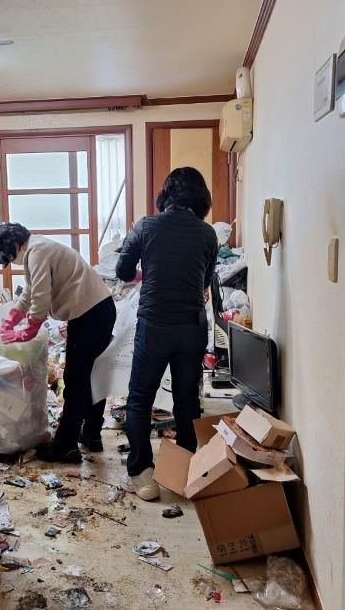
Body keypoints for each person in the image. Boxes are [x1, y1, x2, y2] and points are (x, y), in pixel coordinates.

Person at [116, 167, 219, 501]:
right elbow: (204, 281)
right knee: (187, 401)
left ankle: (142, 474)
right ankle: (184, 469)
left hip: (155, 325)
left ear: (165, 195)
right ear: (201, 198)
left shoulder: (146, 226)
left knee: (140, 398)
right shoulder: (207, 234)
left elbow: (122, 270)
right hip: (192, 326)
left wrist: (147, 272)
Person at [0, 223, 117, 463]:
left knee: (75, 379)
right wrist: (10, 320)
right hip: (98, 310)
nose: (13, 263)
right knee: (91, 375)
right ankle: (91, 434)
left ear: (15, 246)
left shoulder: (37, 252)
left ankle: (66, 446)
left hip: (90, 314)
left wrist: (27, 331)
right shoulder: (38, 247)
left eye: (10, 258)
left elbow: (40, 298)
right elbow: (29, 292)